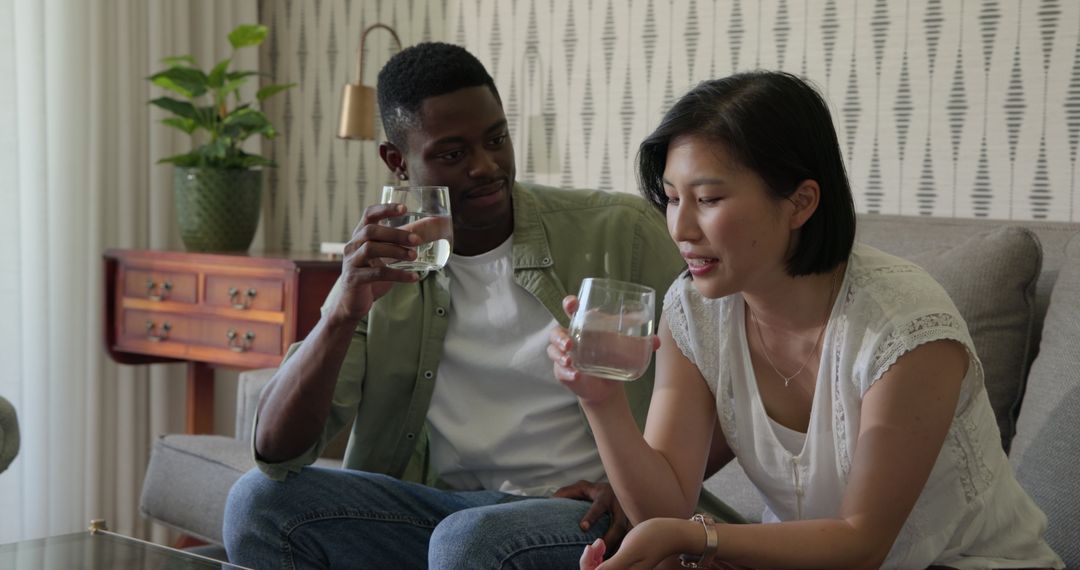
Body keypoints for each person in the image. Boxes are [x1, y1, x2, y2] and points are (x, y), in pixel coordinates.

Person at [548, 71, 1064, 569]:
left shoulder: (905, 326)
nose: (680, 227)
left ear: (801, 202)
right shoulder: (693, 310)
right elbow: (663, 511)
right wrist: (603, 400)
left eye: (707, 199)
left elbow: (861, 545)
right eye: (673, 197)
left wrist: (700, 538)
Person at [222, 42, 694, 569]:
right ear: (397, 161)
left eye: (496, 139)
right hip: (441, 511)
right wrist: (340, 313)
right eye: (452, 153)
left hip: (578, 516)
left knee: (468, 540)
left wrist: (628, 485)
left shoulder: (619, 233)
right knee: (258, 504)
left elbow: (724, 391)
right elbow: (275, 449)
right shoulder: (385, 268)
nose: (486, 166)